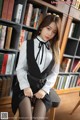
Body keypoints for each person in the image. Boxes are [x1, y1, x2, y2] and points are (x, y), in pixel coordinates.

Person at [12, 14, 61, 120]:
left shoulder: (56, 50)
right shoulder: (27, 44)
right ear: (42, 27)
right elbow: (20, 68)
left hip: (42, 88)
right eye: (48, 29)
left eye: (54, 32)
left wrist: (44, 90)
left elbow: (54, 73)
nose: (50, 34)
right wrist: (25, 86)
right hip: (25, 86)